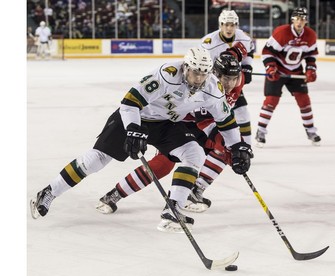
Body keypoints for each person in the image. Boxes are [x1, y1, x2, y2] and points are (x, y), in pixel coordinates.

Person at [30, 47, 252, 234]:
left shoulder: (213, 88)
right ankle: (49, 191)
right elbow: (130, 102)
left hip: (166, 123)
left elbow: (226, 120)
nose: (199, 79)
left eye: (204, 74)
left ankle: (172, 209)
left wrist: (237, 147)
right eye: (195, 73)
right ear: (186, 67)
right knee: (97, 160)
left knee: (194, 153)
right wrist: (133, 128)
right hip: (137, 116)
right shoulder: (167, 74)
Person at [96, 53, 251, 216]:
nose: (230, 83)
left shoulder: (236, 84)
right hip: (179, 126)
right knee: (162, 166)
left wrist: (237, 146)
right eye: (225, 78)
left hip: (204, 126)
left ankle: (195, 191)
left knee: (228, 150)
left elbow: (230, 115)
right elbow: (204, 121)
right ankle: (115, 194)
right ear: (214, 74)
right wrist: (225, 143)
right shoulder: (204, 85)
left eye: (234, 78)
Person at [255, 7, 321, 147]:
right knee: (271, 100)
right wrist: (271, 67)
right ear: (292, 19)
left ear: (306, 21)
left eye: (302, 19)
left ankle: (310, 131)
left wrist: (311, 69)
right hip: (278, 71)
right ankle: (260, 131)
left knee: (304, 101)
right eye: (297, 18)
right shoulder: (282, 32)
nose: (299, 21)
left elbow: (311, 56)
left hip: (296, 71)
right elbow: (267, 52)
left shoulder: (310, 35)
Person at [201, 10, 255, 147]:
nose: (229, 28)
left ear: (236, 25)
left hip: (231, 84)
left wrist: (247, 67)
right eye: (226, 25)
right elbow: (202, 67)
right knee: (210, 117)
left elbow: (249, 51)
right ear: (220, 24)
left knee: (242, 113)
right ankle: (210, 145)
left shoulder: (243, 37)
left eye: (232, 25)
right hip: (212, 86)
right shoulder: (209, 42)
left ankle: (247, 147)